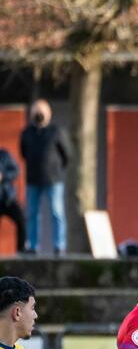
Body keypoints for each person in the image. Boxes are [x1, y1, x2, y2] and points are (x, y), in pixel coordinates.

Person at [18, 100, 70, 255]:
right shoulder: (26, 133)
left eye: (42, 111)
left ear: (49, 113)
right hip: (32, 180)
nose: (38, 114)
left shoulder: (56, 131)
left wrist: (55, 170)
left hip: (53, 181)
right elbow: (23, 153)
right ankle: (32, 246)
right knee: (32, 214)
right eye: (36, 110)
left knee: (57, 213)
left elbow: (67, 155)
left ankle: (59, 246)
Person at [0, 147, 24, 251]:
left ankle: (21, 250)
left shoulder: (4, 155)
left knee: (21, 219)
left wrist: (3, 176)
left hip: (8, 198)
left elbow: (16, 170)